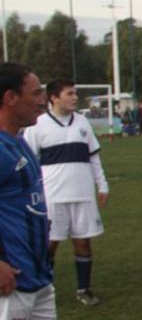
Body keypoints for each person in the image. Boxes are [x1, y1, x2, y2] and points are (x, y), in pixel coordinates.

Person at [0, 63, 112, 320]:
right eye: (32, 94)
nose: (38, 100)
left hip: (36, 274)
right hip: (8, 278)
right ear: (10, 98)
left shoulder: (20, 143)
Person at [21, 80, 109, 306]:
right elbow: (27, 161)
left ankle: (84, 289)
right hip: (52, 196)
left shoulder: (82, 122)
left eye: (75, 93)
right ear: (54, 98)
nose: (75, 97)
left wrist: (102, 184)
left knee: (83, 243)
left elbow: (93, 157)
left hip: (83, 194)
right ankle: (43, 288)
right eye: (70, 93)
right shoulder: (37, 125)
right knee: (50, 244)